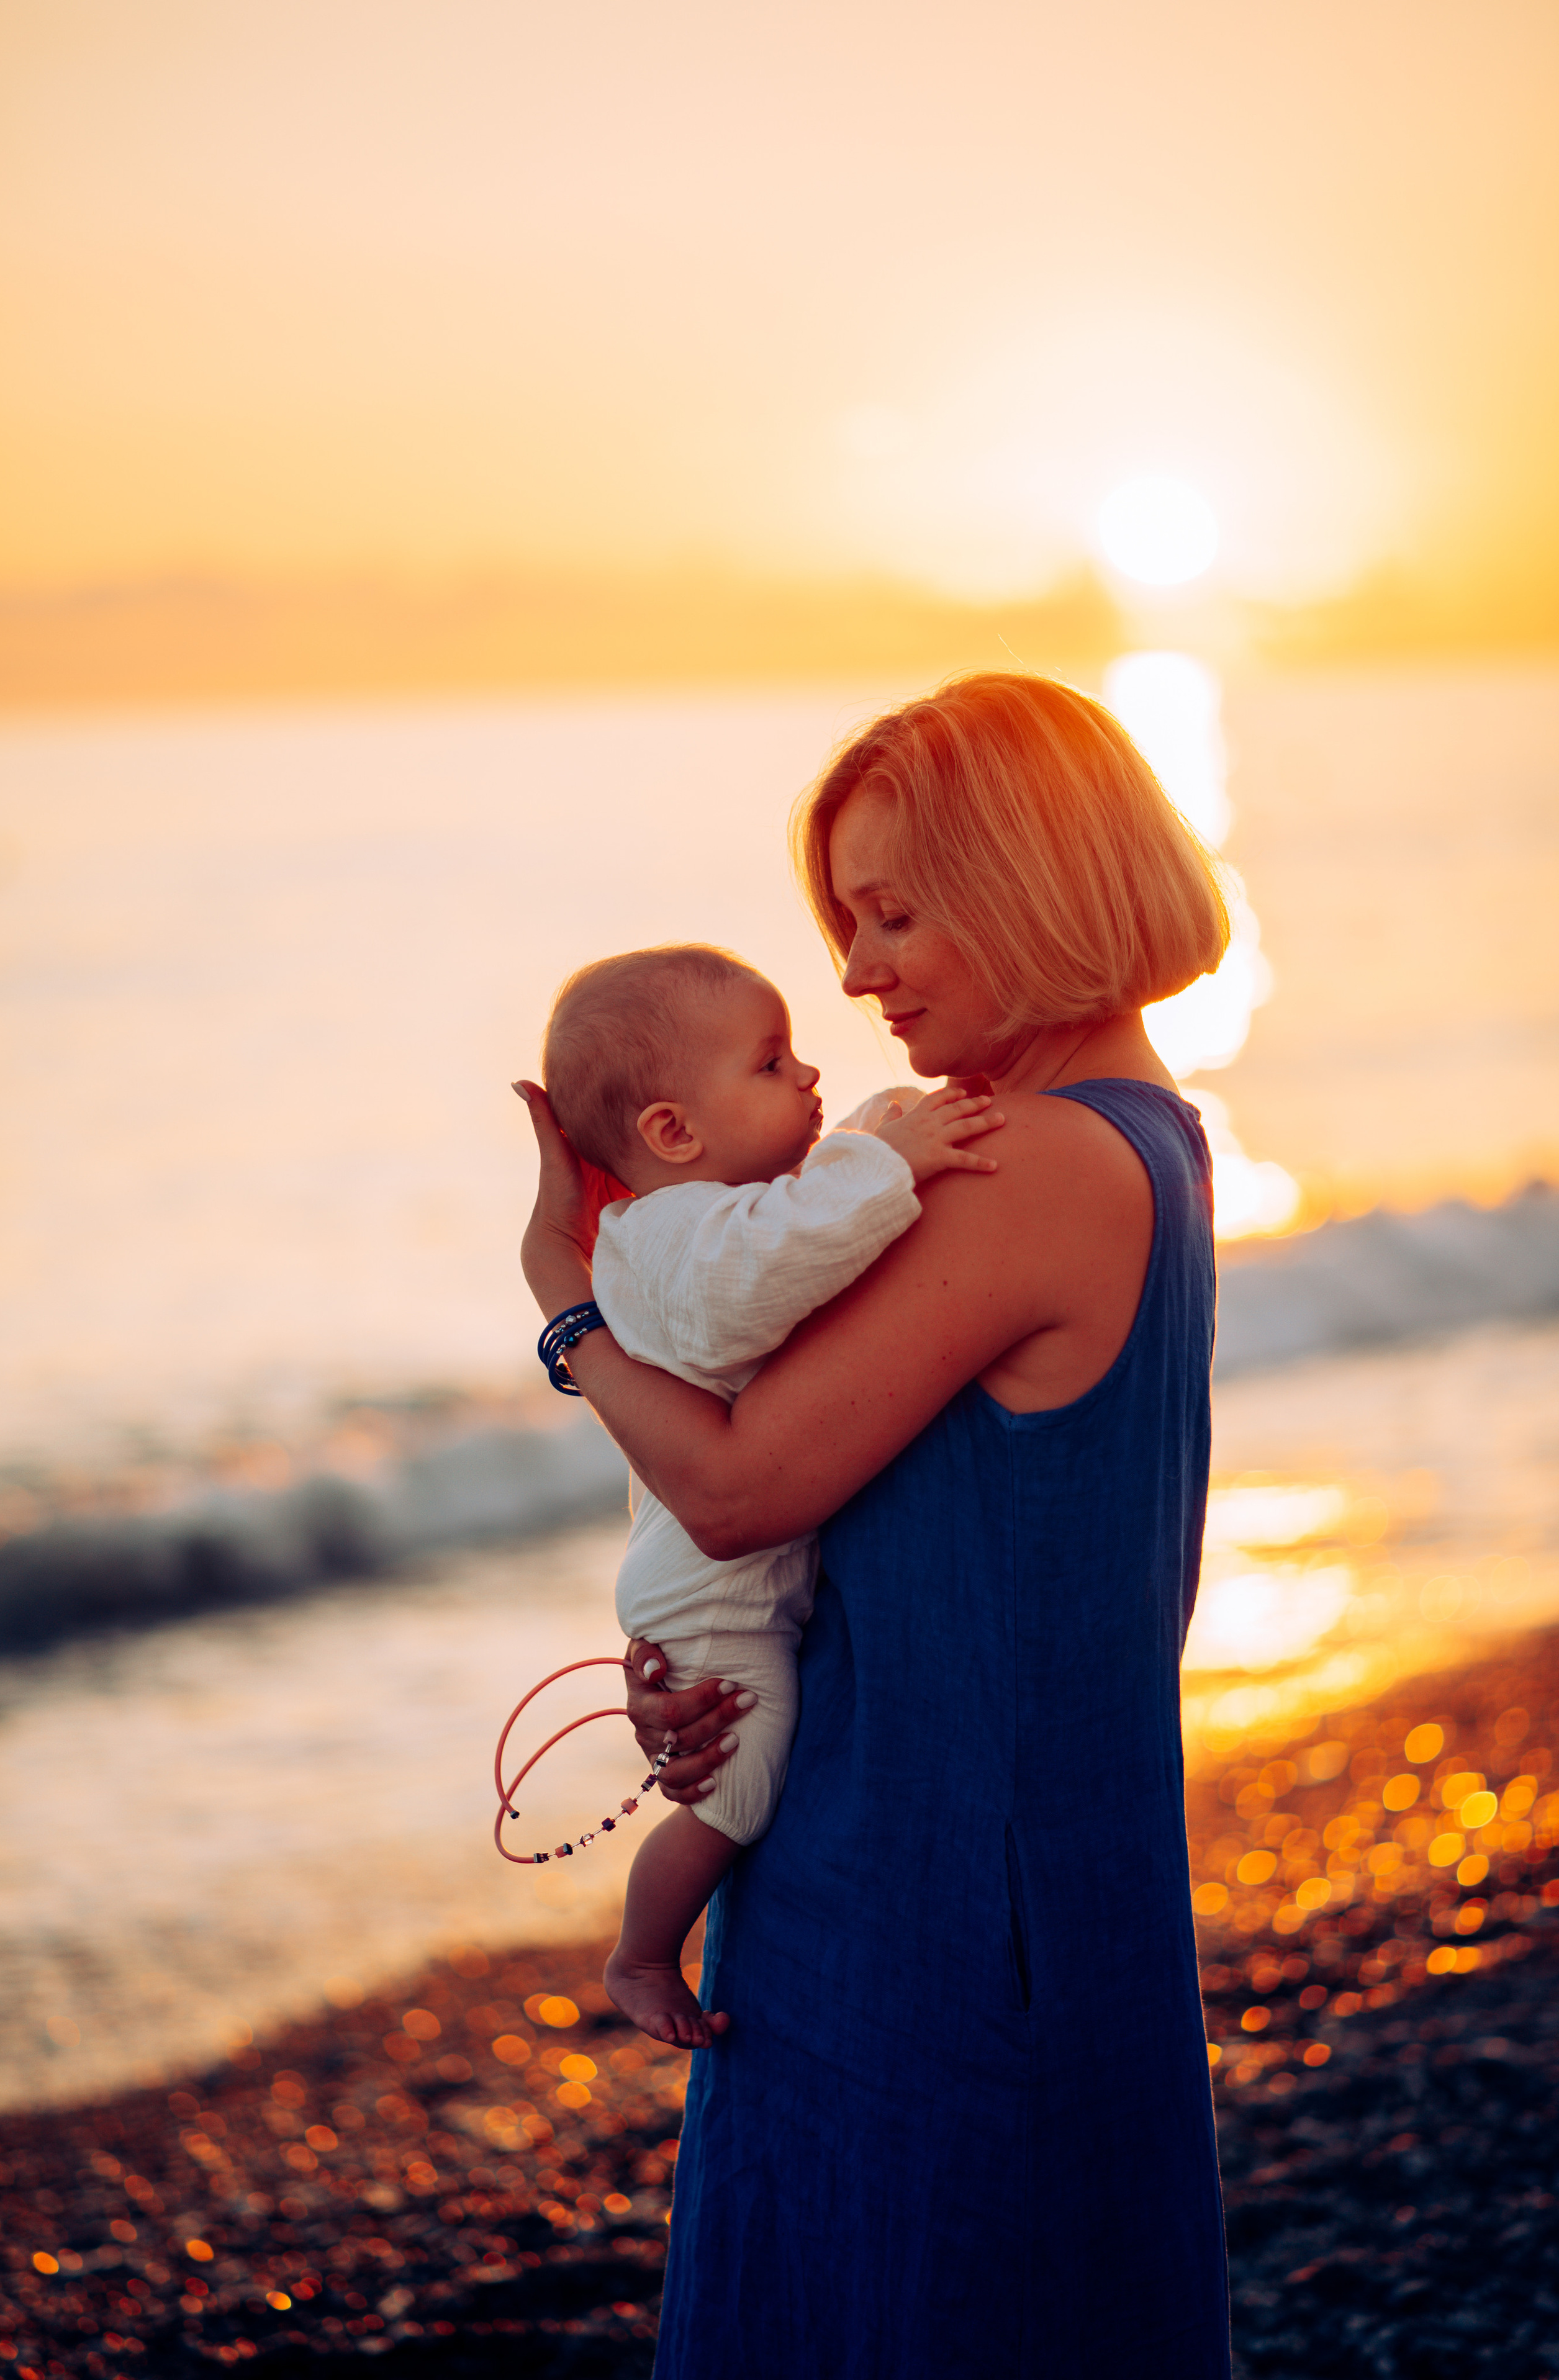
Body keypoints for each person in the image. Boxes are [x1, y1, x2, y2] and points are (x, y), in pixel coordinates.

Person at [513, 671, 1234, 2378]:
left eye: (894, 911)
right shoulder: (1127, 1136)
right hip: (946, 1857)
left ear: (1032, 879)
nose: (852, 970)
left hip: (948, 1914)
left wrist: (565, 1304)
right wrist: (706, 1649)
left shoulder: (1035, 1163)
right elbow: (881, 1523)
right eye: (844, 919)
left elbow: (744, 1478)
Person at [534, 942, 1004, 2048]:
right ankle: (643, 1949)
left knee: (748, 1762)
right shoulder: (669, 1242)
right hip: (712, 1590)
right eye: (770, 1061)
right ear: (672, 1134)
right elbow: (754, 1287)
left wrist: (898, 1126)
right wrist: (895, 1162)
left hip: (706, 1561)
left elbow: (809, 1215)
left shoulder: (726, 1210)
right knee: (740, 1780)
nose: (805, 1076)